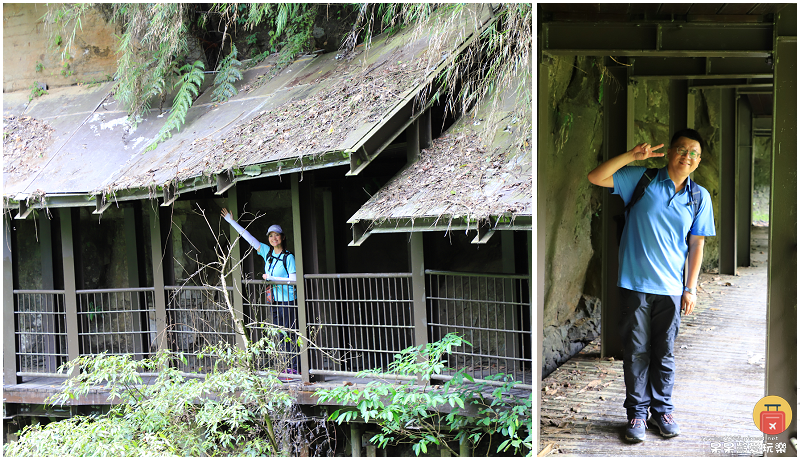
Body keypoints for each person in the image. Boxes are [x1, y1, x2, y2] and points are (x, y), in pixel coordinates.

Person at [587, 128, 716, 443]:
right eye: (682, 149)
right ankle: (637, 414)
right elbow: (596, 177)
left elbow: (696, 244)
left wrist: (690, 288)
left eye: (694, 153)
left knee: (665, 352)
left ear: (699, 161)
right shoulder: (642, 180)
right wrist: (632, 156)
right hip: (636, 285)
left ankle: (663, 410)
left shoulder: (699, 197)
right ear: (671, 152)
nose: (688, 157)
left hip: (672, 288)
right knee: (636, 352)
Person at [220, 208, 299, 375]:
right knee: (280, 333)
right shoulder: (266, 252)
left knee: (290, 333)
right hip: (275, 300)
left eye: (276, 235)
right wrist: (231, 221)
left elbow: (294, 280)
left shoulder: (288, 257)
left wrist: (271, 278)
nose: (273, 238)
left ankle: (296, 368)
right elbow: (248, 238)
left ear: (282, 237)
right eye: (270, 235)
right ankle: (287, 367)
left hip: (288, 300)